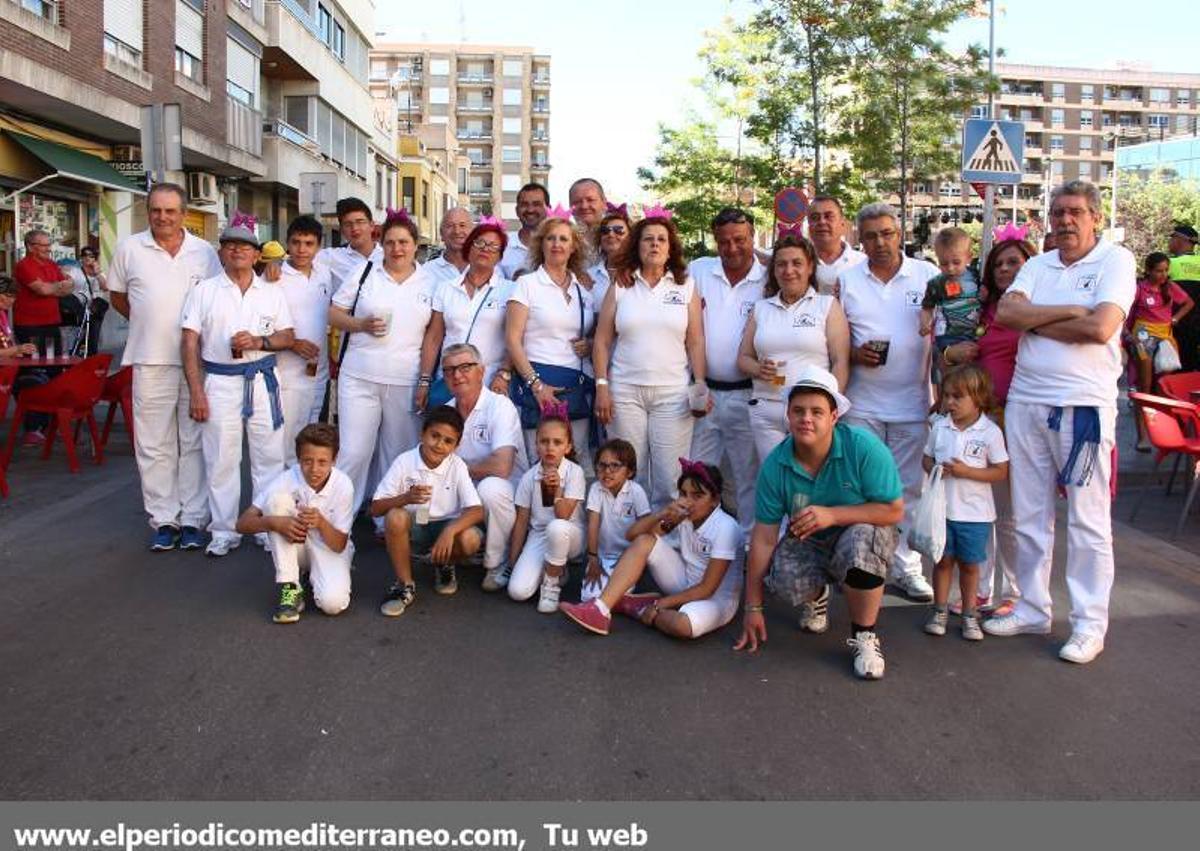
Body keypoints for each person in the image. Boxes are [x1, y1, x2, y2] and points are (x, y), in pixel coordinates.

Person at [987, 180, 1137, 665]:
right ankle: (1032, 608)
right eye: (1057, 212)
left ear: (1094, 216)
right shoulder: (1036, 264)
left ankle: (1089, 624)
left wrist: (1038, 318)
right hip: (1027, 402)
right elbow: (1008, 312)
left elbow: (1101, 328)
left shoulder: (1115, 261)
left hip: (1084, 407)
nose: (1065, 220)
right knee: (1029, 514)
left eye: (1074, 211)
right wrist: (1071, 310)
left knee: (1088, 521)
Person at [734, 367, 904, 680]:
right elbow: (763, 538)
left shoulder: (863, 448)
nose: (806, 419)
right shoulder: (776, 464)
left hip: (858, 528)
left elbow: (893, 511)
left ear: (834, 416)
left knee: (861, 546)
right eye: (798, 410)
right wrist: (753, 607)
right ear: (787, 414)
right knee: (782, 578)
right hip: (809, 537)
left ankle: (864, 635)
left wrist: (834, 514)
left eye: (816, 411)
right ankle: (818, 596)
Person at [108, 183, 222, 550]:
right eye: (157, 210)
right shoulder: (129, 248)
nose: (163, 217)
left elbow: (216, 300)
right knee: (154, 444)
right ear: (148, 210)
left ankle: (192, 519)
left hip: (197, 363)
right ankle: (165, 520)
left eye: (170, 211)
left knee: (193, 441)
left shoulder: (204, 253)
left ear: (183, 212)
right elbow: (119, 297)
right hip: (149, 359)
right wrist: (148, 321)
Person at [838, 202, 939, 602]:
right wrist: (853, 354)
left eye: (887, 233)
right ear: (859, 240)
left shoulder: (927, 275)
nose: (880, 242)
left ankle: (906, 567)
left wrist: (942, 392)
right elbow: (835, 340)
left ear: (900, 233)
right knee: (865, 490)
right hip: (862, 404)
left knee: (908, 489)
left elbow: (945, 332)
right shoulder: (847, 281)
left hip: (913, 403)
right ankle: (867, 563)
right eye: (871, 235)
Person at [181, 215, 295, 557]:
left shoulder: (271, 292)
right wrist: (197, 391)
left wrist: (259, 340)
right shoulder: (204, 290)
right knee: (221, 460)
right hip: (219, 381)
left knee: (269, 458)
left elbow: (288, 336)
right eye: (230, 245)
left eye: (244, 246)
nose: (237, 251)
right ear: (221, 252)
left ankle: (264, 526)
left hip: (262, 381)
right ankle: (224, 530)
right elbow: (189, 342)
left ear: (257, 255)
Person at [942, 229, 1036, 617]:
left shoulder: (1037, 307)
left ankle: (1014, 591)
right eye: (998, 263)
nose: (1005, 269)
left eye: (1013, 261)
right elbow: (948, 349)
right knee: (982, 507)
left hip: (1021, 417)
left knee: (1014, 512)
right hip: (981, 420)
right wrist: (951, 352)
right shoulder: (984, 309)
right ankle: (980, 587)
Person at [328, 210, 437, 523]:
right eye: (390, 242)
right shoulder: (365, 272)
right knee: (354, 452)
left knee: (399, 453)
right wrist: (359, 324)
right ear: (382, 244)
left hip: (406, 379)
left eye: (403, 242)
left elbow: (433, 334)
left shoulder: (430, 280)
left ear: (415, 245)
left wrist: (425, 381)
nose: (397, 249)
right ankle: (339, 520)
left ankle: (387, 521)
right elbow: (333, 314)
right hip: (358, 376)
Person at [594, 209, 707, 509]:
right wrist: (602, 386)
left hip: (673, 394)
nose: (654, 245)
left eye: (661, 239)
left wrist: (701, 385)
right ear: (637, 246)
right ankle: (627, 542)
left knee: (670, 477)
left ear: (671, 248)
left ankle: (666, 544)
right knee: (629, 473)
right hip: (625, 392)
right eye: (647, 240)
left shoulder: (686, 286)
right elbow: (602, 340)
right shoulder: (621, 285)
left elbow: (695, 341)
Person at [560, 459, 742, 639]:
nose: (688, 502)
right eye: (684, 494)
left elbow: (707, 589)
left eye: (697, 496)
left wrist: (659, 604)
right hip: (684, 582)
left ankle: (640, 608)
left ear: (715, 500)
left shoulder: (725, 527)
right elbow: (633, 536)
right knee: (645, 541)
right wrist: (663, 513)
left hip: (714, 600)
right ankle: (600, 609)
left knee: (681, 626)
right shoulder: (684, 516)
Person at [737, 233, 850, 469]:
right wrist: (758, 369)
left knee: (809, 480)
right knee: (774, 482)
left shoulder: (826, 305)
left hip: (810, 414)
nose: (789, 270)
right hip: (766, 409)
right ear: (774, 271)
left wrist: (831, 407)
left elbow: (840, 361)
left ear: (810, 267)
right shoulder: (761, 309)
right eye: (781, 264)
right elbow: (743, 358)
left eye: (796, 263)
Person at [688, 207, 767, 535]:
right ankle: (698, 539)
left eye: (740, 240)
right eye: (724, 242)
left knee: (747, 476)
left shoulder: (769, 276)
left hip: (747, 393)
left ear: (752, 237)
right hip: (703, 393)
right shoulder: (698, 270)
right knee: (697, 474)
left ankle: (748, 543)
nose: (732, 248)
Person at [921, 365, 1009, 641]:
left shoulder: (990, 432)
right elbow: (926, 458)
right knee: (942, 562)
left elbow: (1000, 470)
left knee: (971, 565)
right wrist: (936, 468)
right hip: (943, 511)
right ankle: (939, 609)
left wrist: (967, 472)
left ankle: (971, 613)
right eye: (946, 395)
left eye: (957, 397)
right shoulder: (940, 427)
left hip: (976, 514)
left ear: (978, 398)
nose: (949, 402)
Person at [371, 406, 484, 615]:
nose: (439, 445)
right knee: (395, 516)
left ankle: (445, 563)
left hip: (444, 527)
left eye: (448, 441)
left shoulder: (457, 465)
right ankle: (404, 584)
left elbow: (477, 510)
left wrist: (450, 532)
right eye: (435, 436)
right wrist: (405, 498)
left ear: (456, 446)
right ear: (422, 433)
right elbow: (375, 508)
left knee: (470, 539)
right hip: (416, 526)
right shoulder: (405, 461)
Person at [235, 423, 354, 624]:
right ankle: (289, 586)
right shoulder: (287, 478)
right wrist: (274, 522)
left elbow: (339, 544)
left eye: (323, 462)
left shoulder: (343, 485)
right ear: (298, 459)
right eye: (307, 461)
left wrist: (321, 523)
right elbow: (242, 524)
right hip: (297, 544)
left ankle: (315, 574)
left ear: (334, 460)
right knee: (276, 502)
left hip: (329, 546)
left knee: (332, 604)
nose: (314, 469)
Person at [505, 213, 596, 466]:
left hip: (575, 387)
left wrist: (589, 344)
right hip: (537, 384)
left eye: (564, 239)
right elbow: (512, 340)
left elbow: (590, 333)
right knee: (539, 462)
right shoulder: (527, 284)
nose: (557, 244)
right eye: (551, 238)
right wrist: (537, 385)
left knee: (576, 462)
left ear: (573, 246)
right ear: (541, 244)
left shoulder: (582, 289)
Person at [441, 343, 528, 592]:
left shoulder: (499, 406)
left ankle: (496, 562)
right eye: (449, 370)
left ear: (482, 371)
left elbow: (502, 466)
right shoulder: (446, 411)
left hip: (505, 493)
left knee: (490, 488)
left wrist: (457, 470)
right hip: (466, 492)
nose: (457, 375)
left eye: (465, 367)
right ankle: (469, 547)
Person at [417, 218, 514, 402]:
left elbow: (516, 338)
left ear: (500, 256)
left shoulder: (510, 290)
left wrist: (504, 372)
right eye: (480, 243)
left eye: (493, 246)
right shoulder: (445, 288)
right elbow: (434, 337)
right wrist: (424, 380)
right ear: (469, 248)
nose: (485, 249)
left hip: (490, 383)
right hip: (450, 381)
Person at [506, 410, 587, 612]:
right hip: (540, 535)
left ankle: (550, 584)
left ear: (568, 447)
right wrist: (514, 561)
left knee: (557, 526)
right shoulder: (529, 477)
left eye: (557, 442)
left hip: (570, 533)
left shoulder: (574, 472)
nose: (550, 447)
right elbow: (522, 521)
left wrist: (557, 487)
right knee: (518, 591)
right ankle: (557, 570)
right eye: (544, 441)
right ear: (536, 444)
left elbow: (563, 515)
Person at [275, 216, 334, 465]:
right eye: (296, 242)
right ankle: (280, 499)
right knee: (286, 441)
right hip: (286, 373)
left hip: (318, 372)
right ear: (287, 243)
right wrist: (293, 343)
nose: (302, 249)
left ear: (318, 247)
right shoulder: (275, 276)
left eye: (309, 243)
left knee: (310, 438)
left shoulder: (325, 273)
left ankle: (304, 497)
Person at [1127, 251, 1193, 449]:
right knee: (1144, 387)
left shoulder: (1170, 288)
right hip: (1143, 337)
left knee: (1163, 388)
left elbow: (1189, 303)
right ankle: (1142, 436)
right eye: (1158, 271)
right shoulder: (1138, 289)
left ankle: (1162, 432)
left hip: (1165, 336)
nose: (1163, 275)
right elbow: (1125, 313)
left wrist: (1175, 318)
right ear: (1148, 270)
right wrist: (1127, 335)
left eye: (1166, 271)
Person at [11, 229, 72, 444]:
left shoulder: (51, 265)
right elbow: (43, 290)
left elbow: (68, 287)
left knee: (55, 371)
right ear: (30, 246)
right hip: (30, 326)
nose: (48, 249)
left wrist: (55, 287)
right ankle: (33, 426)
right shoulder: (24, 266)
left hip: (51, 324)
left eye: (48, 244)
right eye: (43, 245)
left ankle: (51, 422)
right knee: (35, 372)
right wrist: (56, 287)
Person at [581, 438, 651, 602]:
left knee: (612, 593)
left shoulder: (636, 491)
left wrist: (639, 562)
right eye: (603, 465)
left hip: (629, 557)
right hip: (603, 557)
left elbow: (646, 528)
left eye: (615, 466)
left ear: (630, 472)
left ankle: (631, 589)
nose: (607, 471)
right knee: (588, 597)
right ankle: (625, 599)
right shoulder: (596, 489)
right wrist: (593, 559)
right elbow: (593, 524)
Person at [919, 227, 985, 357]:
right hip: (948, 338)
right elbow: (927, 307)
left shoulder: (976, 275)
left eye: (956, 262)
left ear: (968, 258)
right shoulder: (936, 283)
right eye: (943, 263)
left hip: (975, 334)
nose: (950, 268)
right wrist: (925, 322)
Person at [316, 198, 382, 293]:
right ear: (342, 230)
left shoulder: (387, 256)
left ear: (372, 225)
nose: (354, 228)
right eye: (348, 224)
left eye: (360, 222)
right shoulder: (331, 257)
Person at [808, 195, 866, 296]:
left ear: (843, 224)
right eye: (815, 218)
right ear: (809, 227)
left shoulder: (863, 263)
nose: (822, 222)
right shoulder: (797, 263)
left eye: (829, 216)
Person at [1167, 223, 1200, 372]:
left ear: (1180, 240)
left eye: (1172, 238)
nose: (1170, 242)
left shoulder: (1169, 264)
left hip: (1175, 324)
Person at [65, 246, 108, 357]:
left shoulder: (99, 272)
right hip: (78, 307)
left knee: (93, 332)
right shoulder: (75, 271)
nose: (88, 258)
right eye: (85, 255)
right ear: (81, 258)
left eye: (91, 256)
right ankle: (80, 353)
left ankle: (90, 355)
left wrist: (97, 273)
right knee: (82, 331)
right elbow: (68, 282)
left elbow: (105, 287)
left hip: (95, 308)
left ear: (95, 258)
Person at [499, 183, 548, 279]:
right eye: (524, 204)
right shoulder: (502, 244)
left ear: (548, 209)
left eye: (536, 204)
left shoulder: (558, 245)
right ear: (517, 210)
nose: (530, 210)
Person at [587, 205, 632, 306]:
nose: (611, 234)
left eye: (618, 230)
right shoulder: (588, 276)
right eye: (605, 231)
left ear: (631, 238)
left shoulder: (639, 273)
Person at [425, 207, 474, 283]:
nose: (457, 231)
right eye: (450, 226)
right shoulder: (427, 272)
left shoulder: (487, 268)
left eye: (462, 225)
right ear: (441, 234)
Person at [568, 177, 607, 262]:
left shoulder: (617, 236)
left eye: (590, 200)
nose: (584, 206)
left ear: (604, 202)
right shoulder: (565, 239)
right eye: (577, 202)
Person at [0, 275, 38, 358]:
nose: (12, 300)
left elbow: (8, 343)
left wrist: (20, 350)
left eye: (14, 297)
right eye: (7, 295)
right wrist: (16, 349)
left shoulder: (2, 314)